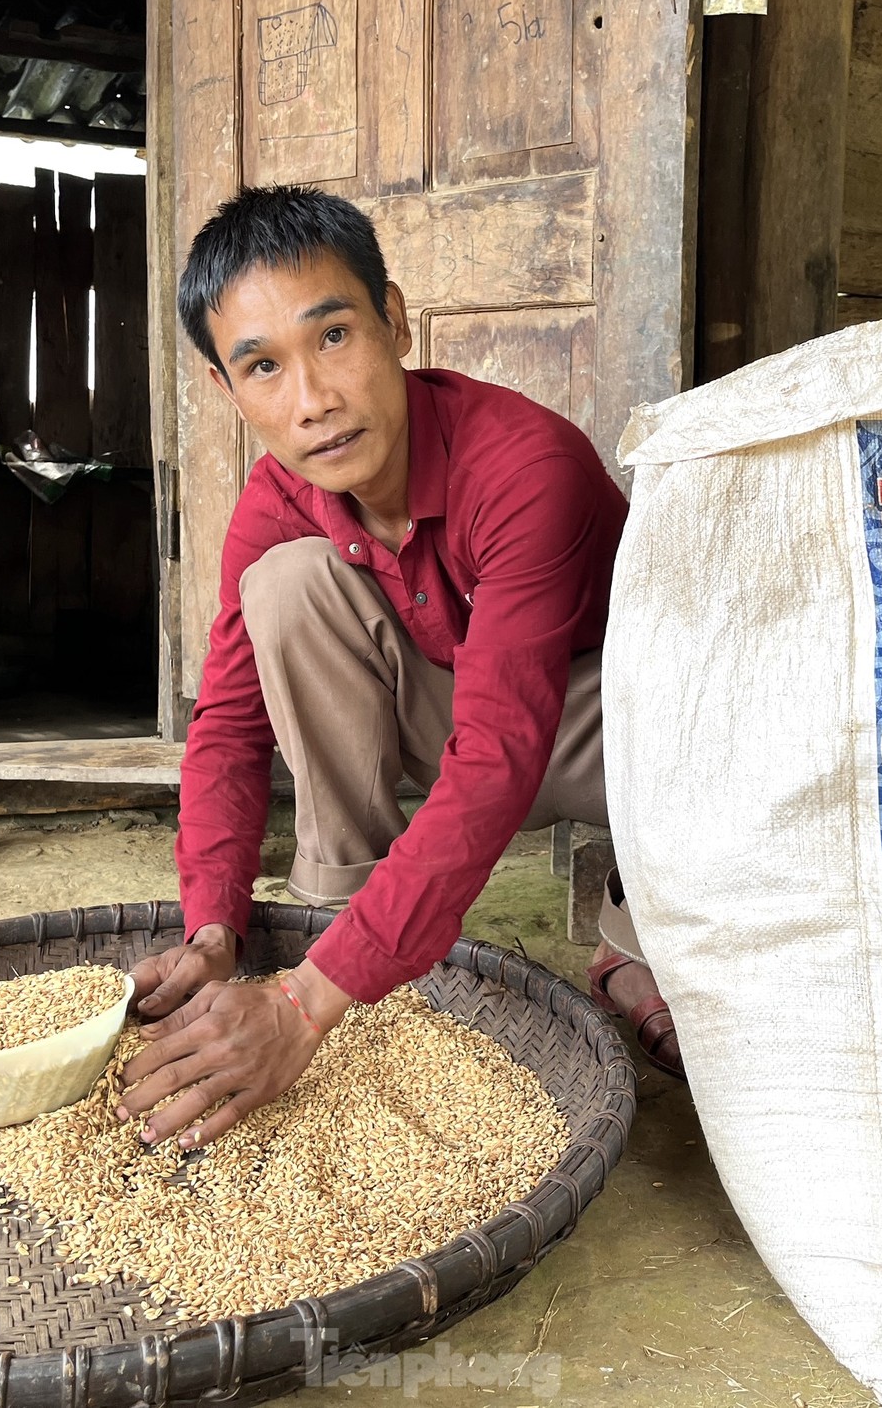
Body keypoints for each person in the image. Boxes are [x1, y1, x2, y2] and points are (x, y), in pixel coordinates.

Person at [116, 185, 681, 1151]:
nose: (313, 402)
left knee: (700, 700)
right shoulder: (277, 497)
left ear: (395, 319)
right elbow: (227, 725)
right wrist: (214, 927)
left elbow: (498, 753)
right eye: (262, 367)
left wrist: (293, 1012)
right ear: (227, 389)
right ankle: (350, 941)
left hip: (613, 731)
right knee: (285, 588)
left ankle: (628, 946)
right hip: (455, 715)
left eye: (333, 336)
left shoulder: (521, 465)